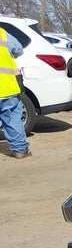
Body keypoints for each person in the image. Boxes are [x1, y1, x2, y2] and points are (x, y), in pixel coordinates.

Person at [0, 27, 30, 158]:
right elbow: (18, 50)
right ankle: (20, 150)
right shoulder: (1, 33)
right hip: (7, 86)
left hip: (7, 86)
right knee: (12, 119)